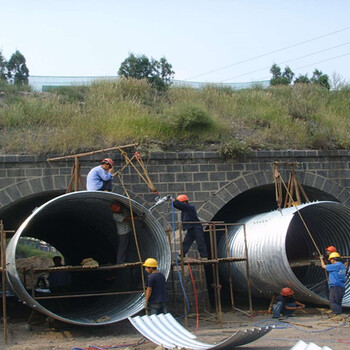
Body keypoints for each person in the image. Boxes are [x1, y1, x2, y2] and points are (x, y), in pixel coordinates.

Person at [172, 194, 208, 260]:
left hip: (197, 227)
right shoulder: (184, 209)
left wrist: (175, 201)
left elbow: (182, 205)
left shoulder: (190, 207)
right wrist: (173, 202)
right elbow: (179, 206)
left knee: (200, 242)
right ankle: (181, 256)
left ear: (184, 202)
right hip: (191, 228)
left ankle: (204, 256)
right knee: (186, 242)